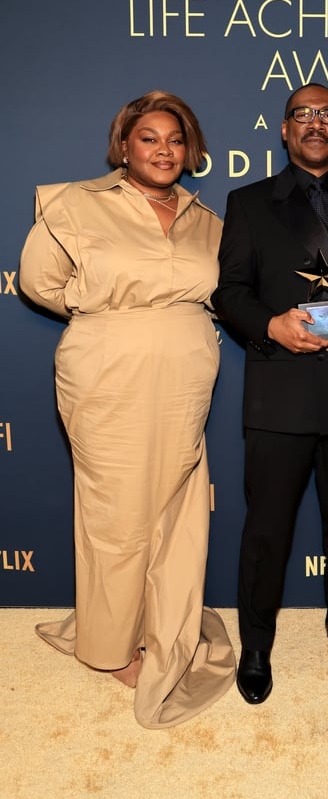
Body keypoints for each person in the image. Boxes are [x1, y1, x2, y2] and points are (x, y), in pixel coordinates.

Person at [19, 90, 235, 729]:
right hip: (106, 373)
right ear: (123, 146)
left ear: (190, 151)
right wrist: (109, 313)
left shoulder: (207, 219)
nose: (164, 150)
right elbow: (38, 282)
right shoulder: (75, 204)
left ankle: (164, 627)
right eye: (149, 138)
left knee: (174, 508)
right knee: (115, 510)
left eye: (175, 139)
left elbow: (225, 293)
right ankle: (110, 647)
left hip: (186, 378)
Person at [212, 82, 328, 704]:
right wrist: (271, 326)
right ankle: (257, 645)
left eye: (327, 115)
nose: (315, 123)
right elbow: (230, 291)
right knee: (267, 529)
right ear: (285, 129)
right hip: (279, 393)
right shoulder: (248, 203)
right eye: (303, 114)